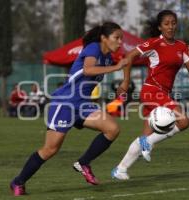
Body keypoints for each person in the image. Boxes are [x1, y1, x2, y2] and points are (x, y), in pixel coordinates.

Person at [10, 22, 128, 196]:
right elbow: (88, 70)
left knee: (112, 129)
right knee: (50, 149)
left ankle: (84, 163)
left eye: (121, 39)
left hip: (83, 105)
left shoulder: (109, 58)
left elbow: (128, 60)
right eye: (116, 38)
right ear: (104, 38)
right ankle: (18, 182)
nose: (120, 42)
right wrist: (117, 67)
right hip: (65, 103)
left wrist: (124, 81)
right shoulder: (94, 48)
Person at [111, 10, 189, 180]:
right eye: (166, 23)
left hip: (164, 93)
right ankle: (148, 143)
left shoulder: (182, 46)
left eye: (173, 23)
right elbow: (129, 57)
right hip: (151, 91)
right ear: (159, 27)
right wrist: (126, 82)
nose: (171, 26)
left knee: (145, 136)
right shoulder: (154, 43)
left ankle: (120, 169)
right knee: (184, 121)